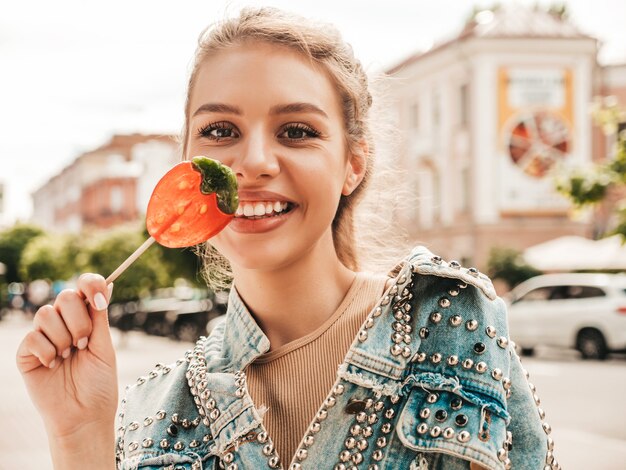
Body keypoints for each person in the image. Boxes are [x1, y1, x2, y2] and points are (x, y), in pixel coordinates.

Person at [16, 8, 558, 470]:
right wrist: (79, 438)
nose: (252, 162)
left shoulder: (451, 321)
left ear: (352, 164)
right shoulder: (153, 411)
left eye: (296, 131)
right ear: (186, 162)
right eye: (220, 131)